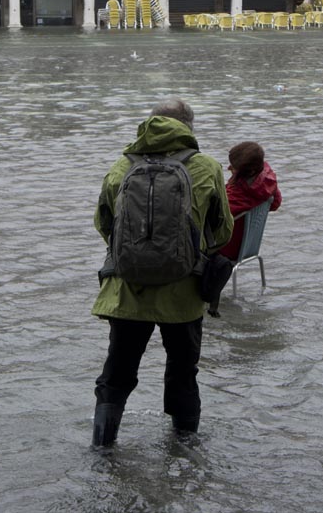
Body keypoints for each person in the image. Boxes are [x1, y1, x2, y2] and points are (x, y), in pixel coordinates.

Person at [90, 98, 233, 446]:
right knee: (183, 373)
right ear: (189, 128)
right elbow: (223, 231)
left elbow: (104, 224)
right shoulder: (206, 167)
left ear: (148, 123)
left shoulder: (120, 166)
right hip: (183, 294)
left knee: (117, 374)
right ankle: (183, 452)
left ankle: (103, 449)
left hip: (126, 294)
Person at [218, 141, 282, 262]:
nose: (228, 168)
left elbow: (216, 217)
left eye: (234, 167)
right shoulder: (267, 181)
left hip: (227, 248)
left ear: (249, 172)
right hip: (248, 246)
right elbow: (275, 203)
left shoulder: (238, 195)